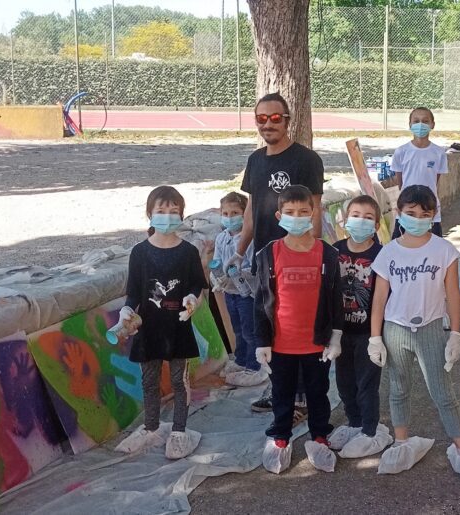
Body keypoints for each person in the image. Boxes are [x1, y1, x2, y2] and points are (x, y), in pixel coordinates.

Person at [368, 185, 460, 485]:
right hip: (395, 329)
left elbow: (453, 294)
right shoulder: (389, 252)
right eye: (411, 213)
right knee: (398, 388)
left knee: (442, 391)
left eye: (425, 214)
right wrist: (375, 337)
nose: (418, 219)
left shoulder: (443, 250)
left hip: (432, 329)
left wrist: (456, 334)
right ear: (399, 213)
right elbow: (379, 298)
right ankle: (401, 442)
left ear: (434, 215)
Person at [227, 92, 325, 415]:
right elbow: (251, 210)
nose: (268, 124)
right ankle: (279, 389)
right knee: (270, 327)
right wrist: (240, 251)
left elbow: (315, 210)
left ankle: (300, 399)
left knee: (295, 327)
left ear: (287, 120)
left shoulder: (307, 160)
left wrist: (314, 254)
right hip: (264, 260)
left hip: (296, 260)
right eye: (261, 119)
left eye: (274, 118)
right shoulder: (255, 160)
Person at [254, 185, 344, 474]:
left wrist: (336, 336)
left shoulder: (327, 254)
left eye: (303, 211)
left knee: (318, 392)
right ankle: (281, 436)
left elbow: (336, 299)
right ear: (279, 216)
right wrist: (262, 341)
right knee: (282, 393)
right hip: (281, 344)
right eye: (290, 212)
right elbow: (261, 301)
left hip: (316, 343)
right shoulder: (269, 254)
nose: (297, 217)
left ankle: (319, 435)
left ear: (313, 213)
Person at [114, 186, 207, 459]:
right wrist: (126, 311)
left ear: (182, 215)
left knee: (179, 381)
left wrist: (193, 300)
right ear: (150, 214)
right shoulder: (139, 252)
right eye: (161, 211)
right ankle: (150, 426)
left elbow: (197, 286)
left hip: (178, 328)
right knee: (149, 380)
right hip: (148, 328)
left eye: (173, 211)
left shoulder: (188, 251)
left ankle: (179, 431)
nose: (167, 216)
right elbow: (133, 292)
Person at [329, 195, 393, 458]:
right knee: (344, 382)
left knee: (367, 384)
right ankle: (354, 422)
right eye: (355, 215)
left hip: (369, 332)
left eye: (368, 218)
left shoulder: (381, 254)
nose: (361, 221)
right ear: (345, 220)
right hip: (340, 333)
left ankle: (370, 430)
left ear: (376, 225)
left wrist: (378, 336)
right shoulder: (334, 251)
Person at [213, 192, 267, 387]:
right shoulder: (221, 238)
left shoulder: (250, 239)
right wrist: (217, 278)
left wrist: (237, 275)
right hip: (230, 293)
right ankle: (241, 360)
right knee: (237, 328)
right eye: (225, 213)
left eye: (235, 213)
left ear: (245, 214)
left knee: (249, 330)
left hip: (247, 294)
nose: (229, 217)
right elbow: (216, 261)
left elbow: (253, 267)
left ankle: (255, 367)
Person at [390, 106, 448, 238]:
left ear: (432, 124)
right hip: (407, 207)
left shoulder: (439, 153)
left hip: (430, 207)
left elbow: (435, 180)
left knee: (433, 246)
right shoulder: (401, 151)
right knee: (400, 244)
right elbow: (400, 182)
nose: (420, 125)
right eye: (416, 121)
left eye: (425, 121)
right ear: (410, 124)